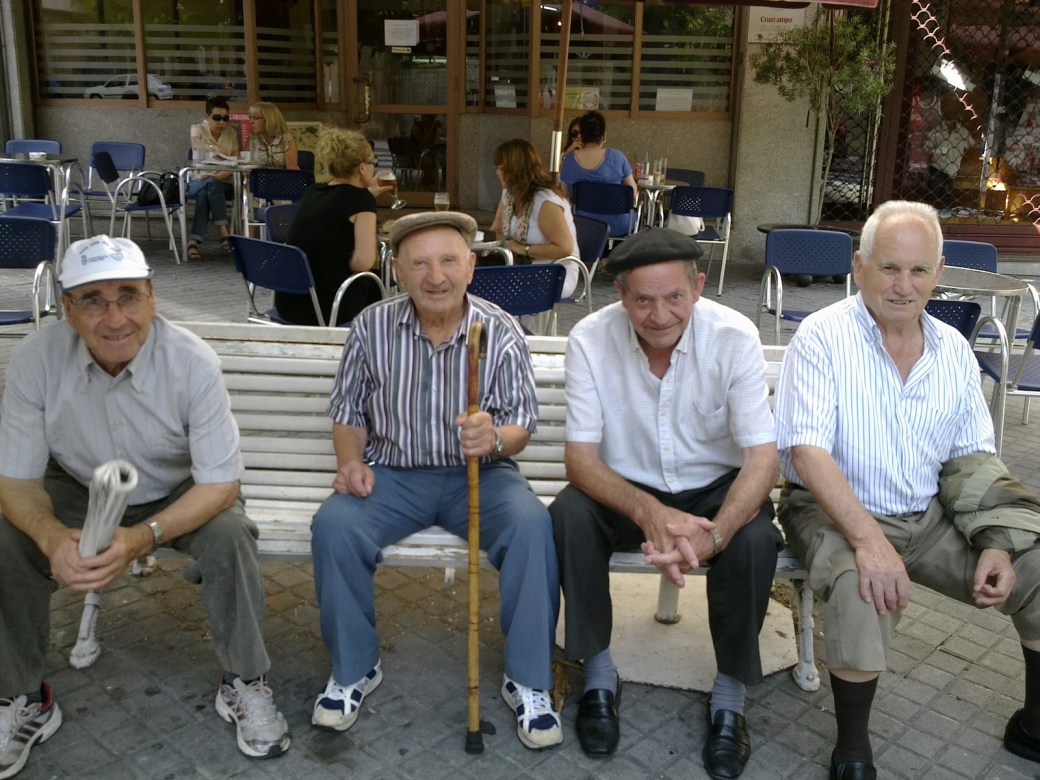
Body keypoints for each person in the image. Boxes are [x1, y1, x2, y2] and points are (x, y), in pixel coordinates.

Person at [0, 235, 291, 779]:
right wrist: (48, 537)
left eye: (128, 296)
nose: (115, 318)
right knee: (5, 540)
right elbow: (15, 482)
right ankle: (21, 697)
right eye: (92, 300)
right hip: (78, 482)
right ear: (67, 308)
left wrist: (142, 536)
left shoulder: (191, 361)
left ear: (153, 299)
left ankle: (244, 682)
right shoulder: (35, 361)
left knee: (231, 537)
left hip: (178, 489)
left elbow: (220, 485)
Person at [774, 200, 1040, 780]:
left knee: (1037, 563)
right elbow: (807, 453)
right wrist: (869, 542)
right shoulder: (822, 337)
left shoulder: (953, 351)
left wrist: (996, 539)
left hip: (929, 511)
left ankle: (1035, 726)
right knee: (860, 585)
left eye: (919, 271)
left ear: (938, 272)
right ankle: (851, 745)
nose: (904, 285)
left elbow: (974, 456)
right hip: (832, 509)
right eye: (889, 267)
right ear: (859, 265)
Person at [308, 211, 562, 751]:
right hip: (394, 474)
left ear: (471, 267)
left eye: (449, 261)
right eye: (419, 264)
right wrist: (350, 462)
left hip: (481, 474)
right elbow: (349, 413)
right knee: (334, 524)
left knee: (532, 524)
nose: (436, 276)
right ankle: (355, 668)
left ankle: (529, 679)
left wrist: (493, 438)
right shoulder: (371, 327)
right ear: (397, 270)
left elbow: (522, 424)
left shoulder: (500, 328)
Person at [549, 227, 783, 777]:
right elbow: (581, 462)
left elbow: (763, 460)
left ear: (698, 287)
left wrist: (715, 533)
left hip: (714, 490)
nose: (659, 314)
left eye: (674, 296)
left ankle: (729, 694)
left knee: (753, 540)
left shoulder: (734, 336)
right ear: (621, 297)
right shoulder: (590, 338)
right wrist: (651, 512)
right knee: (568, 515)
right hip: (625, 488)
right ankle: (600, 673)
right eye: (643, 300)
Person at [275, 127, 381, 326]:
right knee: (379, 279)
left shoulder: (313, 192)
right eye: (373, 162)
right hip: (328, 308)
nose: (374, 167)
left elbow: (341, 204)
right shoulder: (362, 201)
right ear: (362, 168)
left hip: (289, 304)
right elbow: (363, 264)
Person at [490, 138, 581, 298]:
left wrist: (523, 249)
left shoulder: (545, 201)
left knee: (495, 289)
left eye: (500, 168)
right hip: (523, 266)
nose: (497, 173)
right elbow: (497, 228)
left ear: (515, 170)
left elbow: (564, 248)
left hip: (557, 270)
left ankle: (510, 322)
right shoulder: (510, 194)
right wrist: (508, 248)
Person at [559, 111, 638, 238]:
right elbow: (632, 192)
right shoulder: (618, 157)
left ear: (582, 137)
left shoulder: (568, 160)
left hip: (582, 224)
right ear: (603, 136)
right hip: (618, 225)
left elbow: (565, 193)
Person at [187, 96, 240, 261]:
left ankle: (193, 241)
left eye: (225, 118)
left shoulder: (231, 132)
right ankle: (224, 231)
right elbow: (195, 143)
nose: (222, 122)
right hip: (197, 180)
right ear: (206, 117)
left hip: (223, 180)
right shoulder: (197, 129)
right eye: (217, 118)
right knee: (209, 185)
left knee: (210, 187)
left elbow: (236, 162)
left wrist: (216, 176)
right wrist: (215, 147)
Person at [246, 101, 299, 169]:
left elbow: (291, 172)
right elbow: (247, 165)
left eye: (256, 118)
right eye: (250, 117)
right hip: (261, 178)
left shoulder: (287, 139)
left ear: (269, 119)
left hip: (284, 178)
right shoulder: (253, 137)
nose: (251, 121)